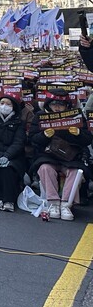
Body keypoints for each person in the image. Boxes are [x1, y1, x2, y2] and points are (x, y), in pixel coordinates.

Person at [29, 89, 92, 220]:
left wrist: (78, 134)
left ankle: (66, 204)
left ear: (67, 106)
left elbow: (87, 140)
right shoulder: (41, 117)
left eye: (61, 105)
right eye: (54, 104)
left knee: (76, 171)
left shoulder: (76, 117)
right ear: (48, 105)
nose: (57, 107)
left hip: (70, 157)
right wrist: (44, 135)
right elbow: (32, 139)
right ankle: (53, 202)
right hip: (47, 155)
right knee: (45, 168)